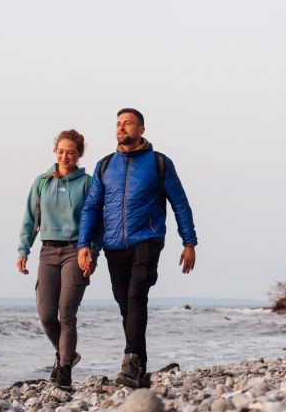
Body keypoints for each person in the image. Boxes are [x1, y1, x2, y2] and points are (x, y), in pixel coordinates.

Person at [78, 108, 197, 388]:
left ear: (141, 130)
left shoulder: (159, 163)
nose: (121, 128)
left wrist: (189, 242)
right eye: (118, 123)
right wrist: (84, 244)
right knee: (125, 304)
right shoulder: (105, 165)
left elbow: (180, 203)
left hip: (148, 238)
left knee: (136, 295)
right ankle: (140, 367)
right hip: (114, 245)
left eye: (127, 123)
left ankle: (130, 362)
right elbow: (91, 207)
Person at [17, 129, 99, 389]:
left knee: (67, 313)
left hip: (76, 251)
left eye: (71, 152)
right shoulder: (42, 182)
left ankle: (64, 370)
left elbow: (98, 222)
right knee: (45, 315)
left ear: (79, 154)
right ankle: (68, 355)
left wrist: (93, 253)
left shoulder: (87, 183)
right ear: (56, 152)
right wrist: (23, 251)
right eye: (61, 151)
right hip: (47, 252)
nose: (65, 156)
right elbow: (30, 219)